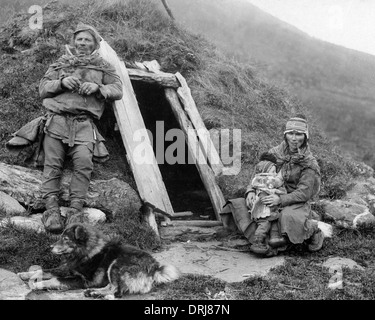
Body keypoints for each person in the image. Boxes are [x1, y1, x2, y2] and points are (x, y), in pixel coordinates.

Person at [39, 23, 123, 233]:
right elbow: (43, 88)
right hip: (57, 121)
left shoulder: (104, 66)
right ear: (73, 42)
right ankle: (51, 211)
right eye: (79, 39)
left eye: (87, 40)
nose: (82, 43)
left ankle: (75, 211)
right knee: (52, 165)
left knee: (84, 164)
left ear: (95, 44)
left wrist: (98, 88)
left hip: (85, 124)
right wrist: (62, 83)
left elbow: (118, 89)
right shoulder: (61, 63)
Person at [245, 115, 323, 256]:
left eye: (298, 134)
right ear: (285, 135)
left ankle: (313, 229)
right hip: (269, 195)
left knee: (285, 218)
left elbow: (304, 193)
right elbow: (259, 173)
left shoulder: (309, 163)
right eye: (290, 134)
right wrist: (250, 191)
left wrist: (280, 199)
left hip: (294, 201)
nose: (294, 138)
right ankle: (270, 238)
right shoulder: (275, 153)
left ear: (305, 137)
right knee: (245, 207)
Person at [246, 153, 286, 255]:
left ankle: (274, 238)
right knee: (265, 225)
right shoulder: (264, 181)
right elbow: (263, 188)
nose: (275, 173)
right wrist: (250, 191)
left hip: (273, 208)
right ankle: (257, 242)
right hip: (264, 209)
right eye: (273, 171)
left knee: (275, 221)